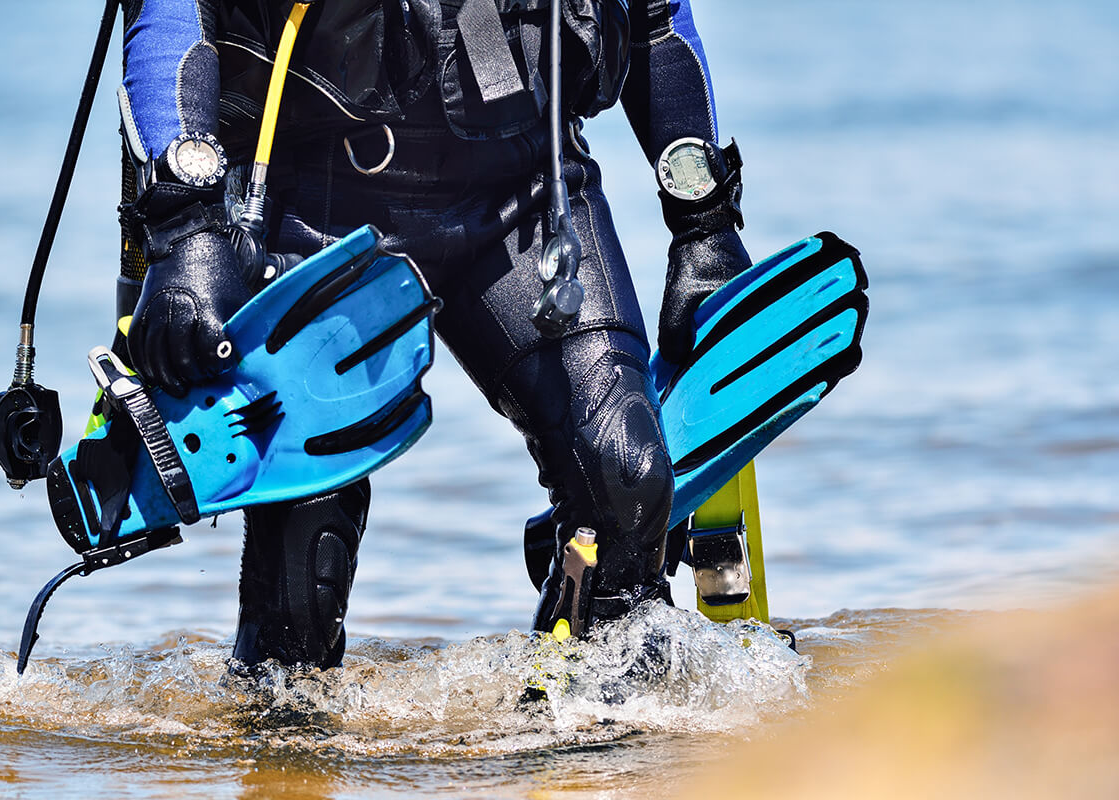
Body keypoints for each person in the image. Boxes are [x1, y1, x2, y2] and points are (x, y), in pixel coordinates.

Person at [116, 0, 752, 669]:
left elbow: (657, 17)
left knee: (623, 473)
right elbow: (171, 16)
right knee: (303, 578)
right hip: (315, 204)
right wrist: (186, 231)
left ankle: (598, 742)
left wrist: (703, 223)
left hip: (529, 192)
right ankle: (278, 763)